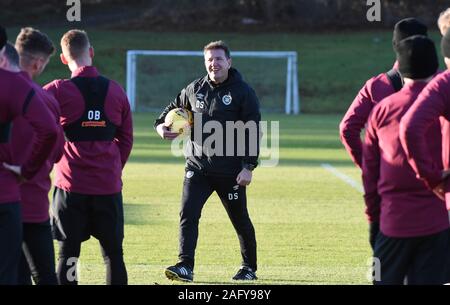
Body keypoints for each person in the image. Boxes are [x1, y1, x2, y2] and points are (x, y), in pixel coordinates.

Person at [155, 40, 260, 282]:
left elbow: (253, 130)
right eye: (210, 60)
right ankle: (185, 265)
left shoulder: (243, 92)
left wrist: (248, 167)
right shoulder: (194, 89)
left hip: (230, 172)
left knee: (239, 219)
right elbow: (169, 110)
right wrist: (161, 127)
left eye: (219, 59)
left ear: (229, 62)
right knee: (188, 213)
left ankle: (249, 268)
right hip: (198, 167)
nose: (214, 64)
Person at [43, 29, 133, 285]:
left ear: (63, 58)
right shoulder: (116, 90)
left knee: (68, 255)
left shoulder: (57, 90)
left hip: (71, 186)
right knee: (114, 255)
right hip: (107, 186)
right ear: (91, 52)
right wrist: (114, 168)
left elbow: (32, 117)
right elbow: (126, 139)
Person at [363, 35, 449, 285]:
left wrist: (373, 216)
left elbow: (370, 172)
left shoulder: (383, 109)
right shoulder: (442, 106)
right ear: (436, 66)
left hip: (394, 220)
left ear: (400, 67)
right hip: (437, 219)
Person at [0, 25, 58, 285]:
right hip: (30, 200)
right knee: (44, 275)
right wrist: (28, 169)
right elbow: (55, 149)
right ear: (37, 63)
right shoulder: (43, 99)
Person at [339, 18, 428, 170]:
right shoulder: (443, 84)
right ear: (428, 45)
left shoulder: (376, 86)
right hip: (434, 180)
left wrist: (369, 167)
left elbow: (347, 128)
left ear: (395, 45)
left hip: (391, 177)